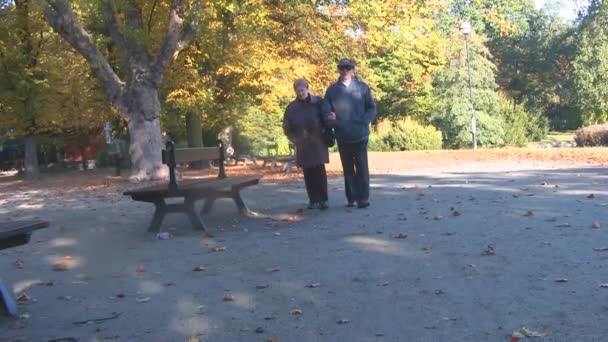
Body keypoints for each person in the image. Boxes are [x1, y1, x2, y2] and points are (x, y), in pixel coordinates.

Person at [322, 59, 376, 209]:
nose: (345, 70)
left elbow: (371, 108)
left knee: (362, 167)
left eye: (348, 68)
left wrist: (364, 121)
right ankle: (351, 198)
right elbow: (325, 111)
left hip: (360, 135)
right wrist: (332, 121)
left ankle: (363, 198)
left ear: (353, 70)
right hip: (342, 135)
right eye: (342, 68)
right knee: (348, 169)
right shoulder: (332, 90)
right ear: (339, 70)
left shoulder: (363, 88)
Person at [283, 79, 330, 210]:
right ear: (295, 92)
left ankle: (323, 199)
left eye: (302, 90)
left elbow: (326, 118)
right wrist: (295, 139)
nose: (301, 92)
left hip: (318, 141)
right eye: (298, 91)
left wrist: (327, 129)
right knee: (308, 173)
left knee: (320, 171)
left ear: (307, 89)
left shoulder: (319, 102)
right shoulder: (292, 107)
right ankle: (313, 200)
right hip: (302, 143)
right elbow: (287, 127)